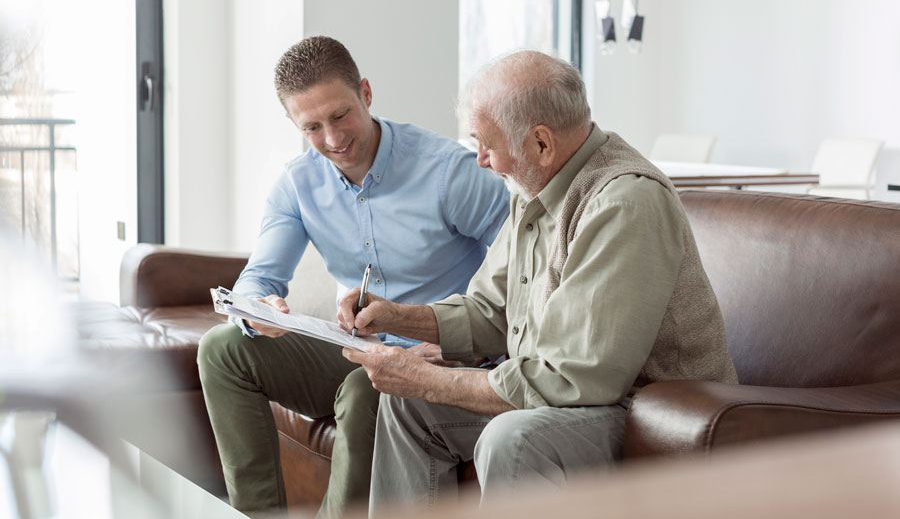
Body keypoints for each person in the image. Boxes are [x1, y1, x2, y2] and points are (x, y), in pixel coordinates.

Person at [338, 50, 739, 511]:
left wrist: (427, 379)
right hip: (579, 397)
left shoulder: (624, 202)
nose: (482, 161)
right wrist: (395, 317)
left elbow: (572, 377)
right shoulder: (534, 188)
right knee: (408, 407)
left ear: (541, 144)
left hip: (648, 411)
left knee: (513, 439)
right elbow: (489, 311)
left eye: (485, 144)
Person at [197, 36, 509, 518]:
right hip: (360, 349)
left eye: (340, 115)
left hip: (441, 356)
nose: (333, 139)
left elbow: (529, 259)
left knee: (371, 388)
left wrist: (472, 343)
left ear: (365, 92)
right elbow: (258, 277)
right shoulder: (298, 185)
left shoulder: (449, 172)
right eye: (313, 127)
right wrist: (258, 308)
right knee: (222, 350)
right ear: (293, 123)